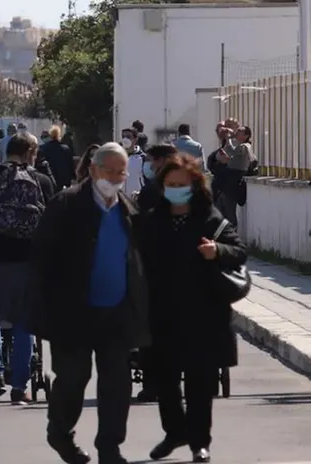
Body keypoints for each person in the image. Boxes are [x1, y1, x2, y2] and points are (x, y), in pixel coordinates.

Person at [33, 142, 150, 464]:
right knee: (73, 379)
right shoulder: (66, 205)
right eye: (109, 170)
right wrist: (46, 310)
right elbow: (42, 260)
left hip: (117, 313)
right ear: (93, 169)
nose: (114, 177)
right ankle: (60, 432)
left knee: (117, 384)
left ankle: (110, 448)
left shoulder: (129, 209)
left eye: (120, 171)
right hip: (73, 314)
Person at [143, 154, 244, 463]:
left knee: (200, 383)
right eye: (170, 185)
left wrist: (217, 251)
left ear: (195, 186)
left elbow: (239, 251)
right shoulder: (151, 219)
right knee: (165, 380)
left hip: (204, 314)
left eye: (181, 185)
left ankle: (200, 441)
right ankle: (175, 432)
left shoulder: (210, 219)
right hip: (162, 314)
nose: (176, 190)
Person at [0, 133, 55, 404]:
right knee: (24, 323)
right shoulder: (42, 181)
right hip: (29, 262)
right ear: (30, 152)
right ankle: (20, 386)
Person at [214, 125, 256, 226]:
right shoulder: (238, 146)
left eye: (240, 131)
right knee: (220, 207)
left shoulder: (245, 146)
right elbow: (221, 155)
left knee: (229, 210)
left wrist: (229, 139)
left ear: (246, 136)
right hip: (229, 180)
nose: (237, 132)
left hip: (234, 181)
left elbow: (232, 152)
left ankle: (232, 234)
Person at [39, 125, 75, 189]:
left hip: (49, 180)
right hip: (64, 180)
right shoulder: (66, 149)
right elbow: (70, 165)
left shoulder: (42, 149)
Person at [122, 127, 146, 196]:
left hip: (136, 199)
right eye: (123, 137)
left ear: (135, 139)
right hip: (121, 200)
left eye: (128, 137)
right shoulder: (117, 158)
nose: (125, 139)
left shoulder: (143, 158)